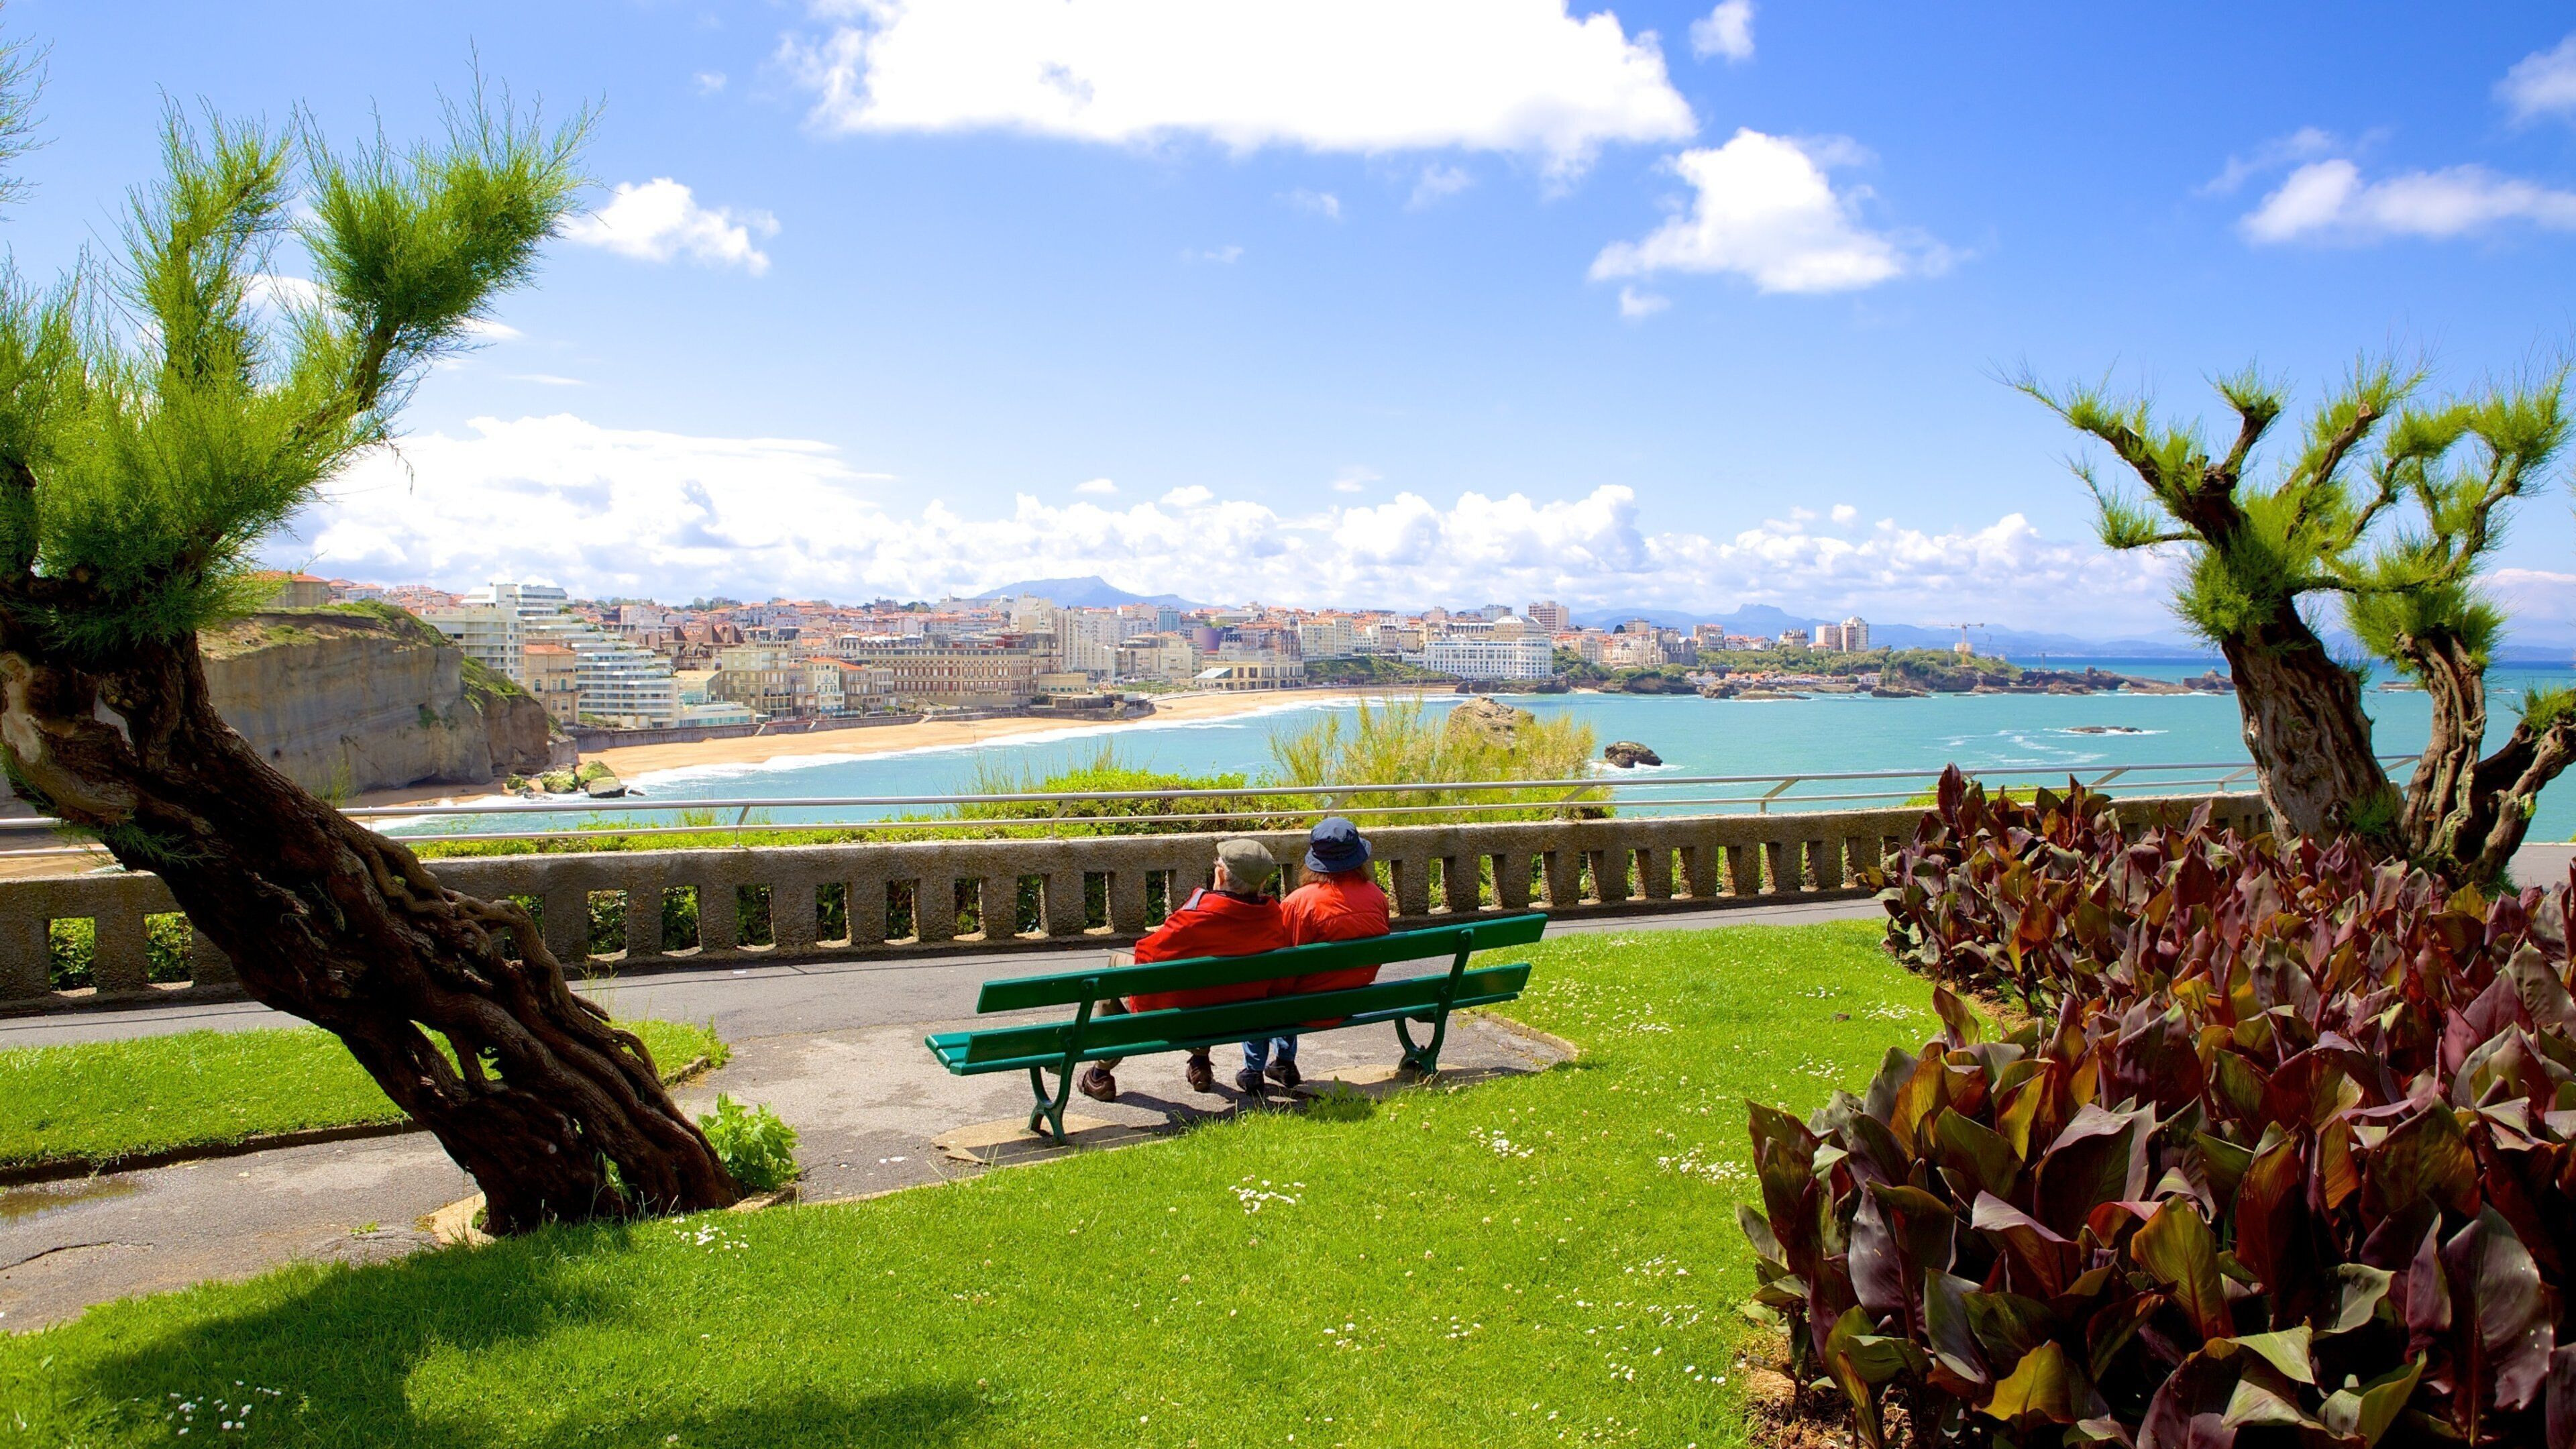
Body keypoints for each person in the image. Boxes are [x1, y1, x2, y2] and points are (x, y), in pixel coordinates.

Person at [1077, 837, 1286, 1102]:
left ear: (1221, 875)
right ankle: (1199, 1062)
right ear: (1263, 883)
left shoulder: (1193, 920)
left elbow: (1146, 957)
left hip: (1186, 1015)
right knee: (1211, 980)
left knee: (1117, 968)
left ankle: (1100, 1074)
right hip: (1237, 1014)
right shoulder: (1272, 917)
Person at [1252, 816, 1392, 1091]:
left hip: (1309, 1006)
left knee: (1270, 990)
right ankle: (1283, 1063)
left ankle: (1265, 1066)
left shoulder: (1299, 903)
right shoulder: (1376, 896)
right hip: (1356, 996)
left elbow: (1283, 969)